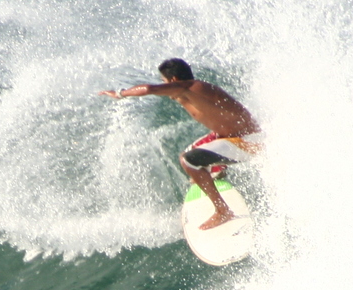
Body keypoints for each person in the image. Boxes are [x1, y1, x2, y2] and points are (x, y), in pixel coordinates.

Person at [100, 57, 261, 229]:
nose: (163, 85)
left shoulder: (188, 87)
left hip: (248, 142)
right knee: (193, 152)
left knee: (189, 160)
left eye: (164, 81)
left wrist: (119, 94)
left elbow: (148, 89)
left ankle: (223, 211)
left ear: (174, 80)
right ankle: (216, 171)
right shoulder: (195, 90)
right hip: (232, 136)